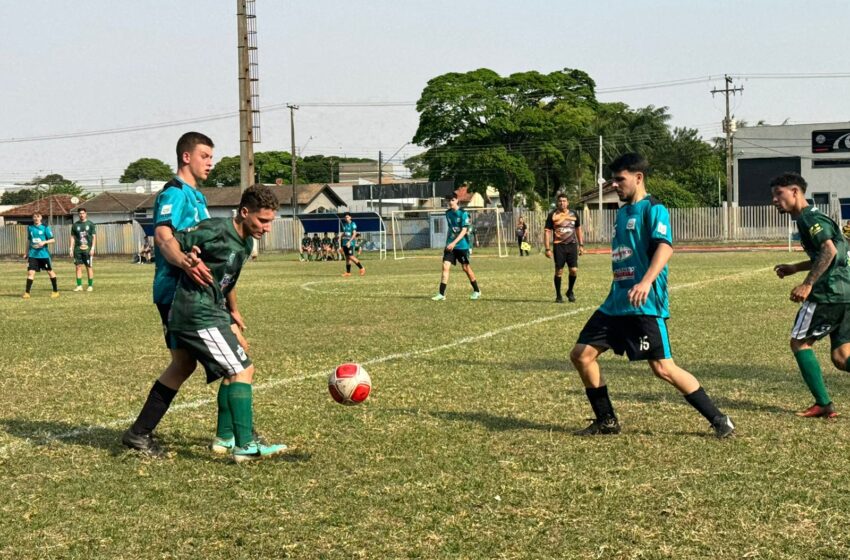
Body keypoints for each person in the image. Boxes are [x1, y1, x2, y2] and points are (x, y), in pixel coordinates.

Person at [569, 153, 734, 438]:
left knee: (663, 368)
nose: (615, 185)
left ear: (638, 177)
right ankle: (606, 420)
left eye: (620, 180)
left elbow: (665, 247)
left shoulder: (654, 209)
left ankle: (719, 420)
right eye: (613, 180)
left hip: (645, 304)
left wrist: (645, 282)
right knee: (581, 356)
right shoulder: (621, 213)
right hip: (616, 303)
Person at [164, 185, 287, 461]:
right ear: (244, 212)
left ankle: (225, 437)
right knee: (242, 370)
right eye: (262, 220)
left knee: (237, 368)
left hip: (215, 311)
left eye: (271, 221)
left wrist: (234, 311)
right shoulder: (215, 230)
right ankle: (245, 446)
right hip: (195, 312)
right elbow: (170, 241)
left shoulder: (246, 242)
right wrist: (187, 257)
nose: (267, 228)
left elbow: (229, 278)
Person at [123, 131, 222, 457]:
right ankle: (237, 437)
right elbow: (163, 236)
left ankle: (139, 433)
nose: (211, 162)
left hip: (196, 292)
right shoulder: (174, 193)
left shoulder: (198, 197)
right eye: (205, 156)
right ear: (186, 157)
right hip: (177, 293)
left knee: (183, 364)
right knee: (231, 359)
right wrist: (183, 262)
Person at [772, 172, 850, 418]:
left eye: (779, 193)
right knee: (841, 356)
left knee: (799, 343)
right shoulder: (814, 217)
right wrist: (796, 267)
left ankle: (823, 404)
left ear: (795, 192)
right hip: (846, 292)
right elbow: (830, 255)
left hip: (828, 293)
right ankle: (823, 404)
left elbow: (829, 251)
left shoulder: (808, 218)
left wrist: (807, 284)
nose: (774, 199)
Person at [432, 193, 480, 301]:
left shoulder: (463, 214)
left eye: (452, 200)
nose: (450, 202)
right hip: (450, 246)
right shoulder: (448, 214)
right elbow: (451, 229)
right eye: (448, 200)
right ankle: (441, 294)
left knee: (466, 268)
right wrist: (449, 243)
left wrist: (454, 243)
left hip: (462, 246)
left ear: (457, 200)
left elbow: (464, 231)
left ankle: (477, 290)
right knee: (445, 266)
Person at [544, 193, 583, 303]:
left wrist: (581, 245)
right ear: (557, 202)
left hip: (572, 245)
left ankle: (570, 291)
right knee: (559, 271)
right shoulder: (552, 214)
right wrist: (547, 249)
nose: (562, 203)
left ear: (568, 202)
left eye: (564, 201)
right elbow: (547, 232)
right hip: (559, 246)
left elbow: (578, 229)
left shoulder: (574, 214)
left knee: (574, 270)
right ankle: (558, 296)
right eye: (560, 201)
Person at [23, 212, 59, 299]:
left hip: (43, 255)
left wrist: (44, 242)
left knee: (50, 272)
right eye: (34, 217)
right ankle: (27, 293)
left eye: (38, 217)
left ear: (41, 218)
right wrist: (26, 252)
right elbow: (29, 240)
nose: (36, 218)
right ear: (33, 218)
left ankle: (55, 291)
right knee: (30, 272)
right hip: (33, 255)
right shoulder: (30, 228)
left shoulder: (45, 227)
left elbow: (53, 240)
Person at [70, 208, 96, 291]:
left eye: (83, 213)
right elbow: (72, 237)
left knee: (89, 266)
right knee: (78, 266)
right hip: (77, 249)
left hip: (87, 249)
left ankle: (90, 286)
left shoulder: (90, 224)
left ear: (86, 214)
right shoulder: (75, 225)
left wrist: (92, 248)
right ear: (78, 214)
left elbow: (94, 237)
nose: (81, 215)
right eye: (80, 213)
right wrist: (71, 248)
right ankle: (79, 286)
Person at [340, 212, 365, 277]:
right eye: (345, 217)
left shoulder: (353, 224)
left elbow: (354, 234)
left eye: (347, 217)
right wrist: (340, 237)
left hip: (350, 243)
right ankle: (348, 272)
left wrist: (349, 241)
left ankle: (362, 268)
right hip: (345, 243)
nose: (346, 218)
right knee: (347, 258)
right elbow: (345, 233)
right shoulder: (345, 224)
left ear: (350, 217)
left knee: (351, 256)